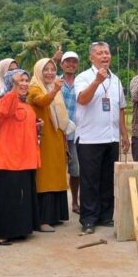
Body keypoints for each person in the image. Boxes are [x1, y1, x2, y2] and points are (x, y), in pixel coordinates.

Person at [74, 42, 130, 234]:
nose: (105, 56)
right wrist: (97, 81)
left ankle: (106, 216)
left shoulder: (116, 80)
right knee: (90, 180)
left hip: (111, 137)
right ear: (91, 58)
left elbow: (120, 108)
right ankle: (89, 219)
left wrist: (124, 133)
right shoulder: (83, 77)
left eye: (107, 52)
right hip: (90, 138)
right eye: (100, 53)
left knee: (108, 179)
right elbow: (82, 99)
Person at [0, 69, 40, 245]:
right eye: (19, 81)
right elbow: (4, 113)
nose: (23, 84)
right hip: (10, 159)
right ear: (11, 83)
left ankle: (19, 230)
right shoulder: (6, 100)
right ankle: (1, 233)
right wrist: (14, 89)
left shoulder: (27, 105)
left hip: (26, 158)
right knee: (7, 197)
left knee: (22, 197)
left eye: (25, 80)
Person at [28, 58, 71, 231]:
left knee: (57, 174)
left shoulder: (54, 87)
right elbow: (42, 101)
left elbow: (61, 115)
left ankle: (55, 215)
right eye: (45, 69)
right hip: (42, 139)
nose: (50, 73)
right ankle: (42, 219)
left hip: (57, 136)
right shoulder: (34, 87)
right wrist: (54, 90)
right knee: (44, 177)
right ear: (38, 71)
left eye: (52, 69)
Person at [60, 51, 81, 214]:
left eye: (74, 62)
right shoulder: (56, 81)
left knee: (76, 170)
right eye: (67, 61)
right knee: (57, 169)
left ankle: (74, 201)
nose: (71, 64)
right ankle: (57, 206)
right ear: (62, 64)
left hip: (76, 134)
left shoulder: (81, 82)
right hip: (58, 133)